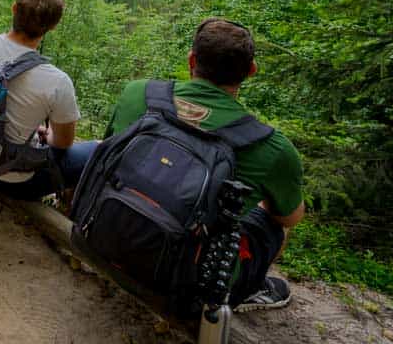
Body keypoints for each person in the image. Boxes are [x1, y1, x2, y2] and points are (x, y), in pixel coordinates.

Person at [103, 18, 305, 313]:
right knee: (275, 222)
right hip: (184, 285)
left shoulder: (138, 93)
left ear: (191, 60)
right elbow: (289, 217)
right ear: (251, 71)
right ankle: (247, 288)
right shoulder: (273, 148)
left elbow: (108, 150)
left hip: (107, 238)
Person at [0, 0, 95, 197]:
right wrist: (45, 134)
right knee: (99, 150)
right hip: (12, 179)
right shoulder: (57, 81)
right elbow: (62, 143)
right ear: (52, 27)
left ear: (14, 8)